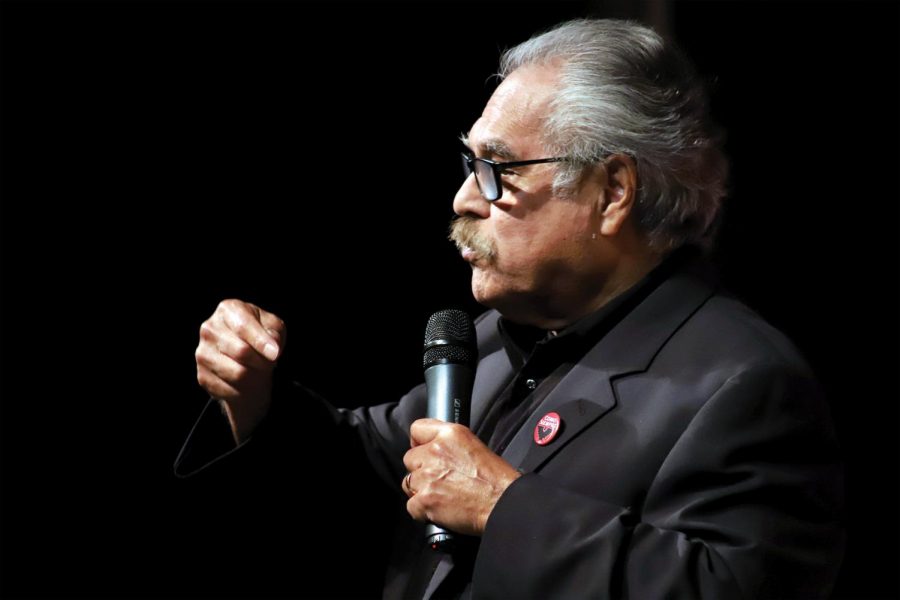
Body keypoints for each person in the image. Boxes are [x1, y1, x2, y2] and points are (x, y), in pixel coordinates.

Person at [177, 18, 844, 599]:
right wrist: (253, 392)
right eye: (469, 164)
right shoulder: (497, 342)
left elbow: (727, 587)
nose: (466, 199)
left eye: (498, 170)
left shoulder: (741, 382)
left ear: (613, 191)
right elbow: (367, 478)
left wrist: (504, 509)